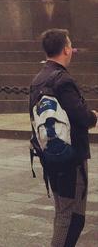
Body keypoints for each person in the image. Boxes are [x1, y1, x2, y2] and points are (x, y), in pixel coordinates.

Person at [29, 29, 97, 247]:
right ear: (66, 49)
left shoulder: (38, 80)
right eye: (71, 46)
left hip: (50, 154)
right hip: (71, 156)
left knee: (64, 211)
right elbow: (82, 116)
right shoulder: (63, 80)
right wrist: (93, 116)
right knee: (71, 216)